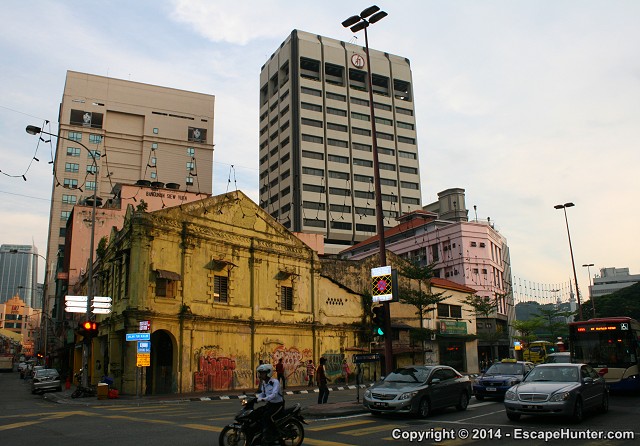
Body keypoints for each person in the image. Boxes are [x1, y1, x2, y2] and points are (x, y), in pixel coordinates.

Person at [256, 363, 284, 443]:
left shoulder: (275, 382)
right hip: (270, 404)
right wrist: (257, 398)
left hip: (278, 405)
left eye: (263, 373)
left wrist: (264, 399)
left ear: (268, 373)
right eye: (260, 373)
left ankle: (274, 434)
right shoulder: (264, 383)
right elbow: (262, 393)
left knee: (267, 416)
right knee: (258, 412)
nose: (261, 375)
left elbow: (274, 394)